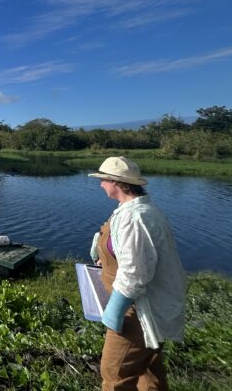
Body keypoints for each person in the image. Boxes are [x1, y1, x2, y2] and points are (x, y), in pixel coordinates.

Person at [88, 156, 186, 391]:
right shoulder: (128, 209)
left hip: (137, 312)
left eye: (103, 179)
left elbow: (135, 274)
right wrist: (104, 251)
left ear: (117, 182)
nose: (101, 184)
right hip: (141, 308)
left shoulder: (136, 218)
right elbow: (132, 254)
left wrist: (115, 311)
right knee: (149, 371)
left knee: (115, 375)